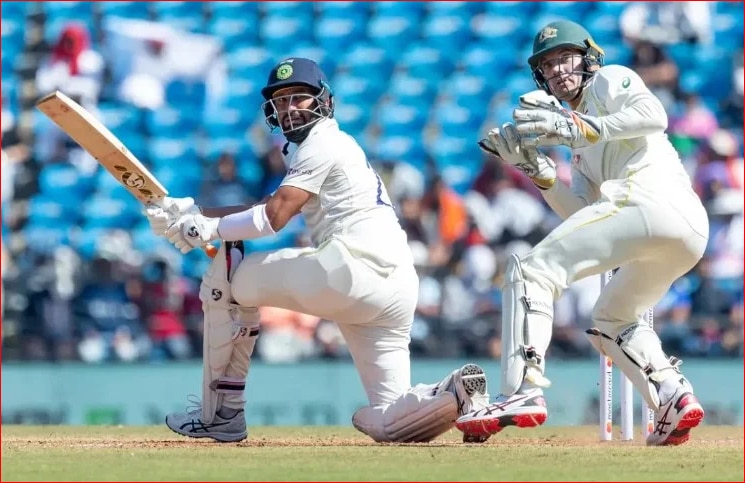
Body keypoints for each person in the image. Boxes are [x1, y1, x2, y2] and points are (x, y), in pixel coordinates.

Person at [144, 58, 489, 443]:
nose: (289, 107)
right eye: (281, 100)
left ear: (323, 101)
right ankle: (458, 392)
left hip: (351, 270)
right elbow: (266, 204)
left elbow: (271, 218)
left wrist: (205, 229)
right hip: (396, 287)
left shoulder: (321, 141)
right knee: (386, 420)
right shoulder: (324, 146)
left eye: (299, 97)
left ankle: (222, 414)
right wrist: (193, 213)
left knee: (224, 280)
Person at [455, 20, 709, 446]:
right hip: (678, 232)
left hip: (650, 200)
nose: (556, 70)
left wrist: (583, 127)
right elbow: (587, 215)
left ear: (589, 58)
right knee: (612, 317)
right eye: (547, 65)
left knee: (531, 271)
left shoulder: (610, 80)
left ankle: (522, 391)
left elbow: (655, 116)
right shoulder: (579, 152)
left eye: (565, 58)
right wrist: (539, 173)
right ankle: (672, 396)